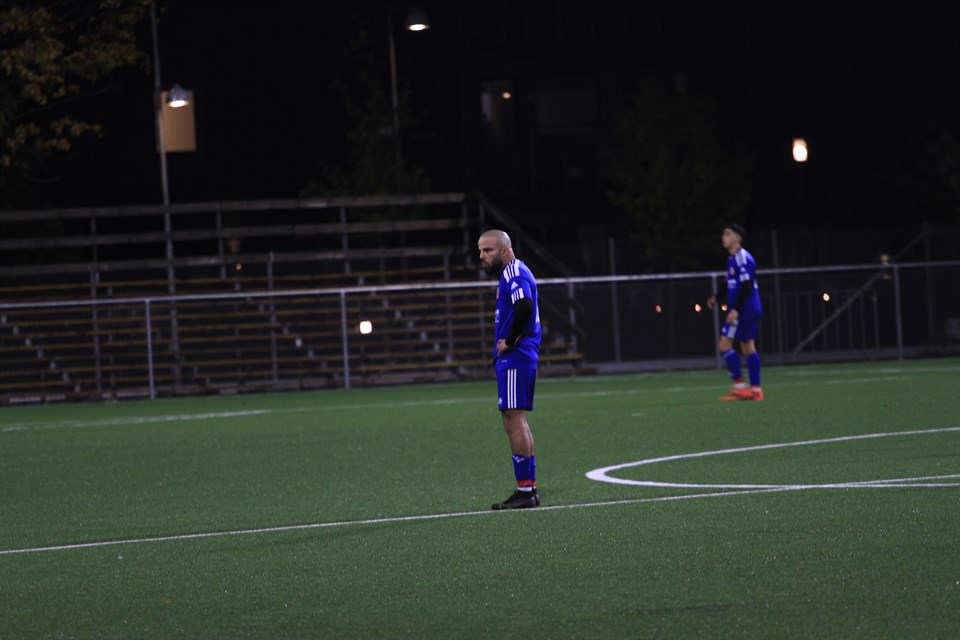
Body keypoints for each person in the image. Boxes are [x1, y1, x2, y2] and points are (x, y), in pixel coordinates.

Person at [478, 229, 542, 509]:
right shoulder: (513, 272)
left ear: (505, 250)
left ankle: (525, 492)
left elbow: (524, 306)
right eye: (480, 251)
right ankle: (528, 489)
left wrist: (511, 340)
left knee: (513, 419)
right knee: (515, 419)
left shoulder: (513, 270)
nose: (482, 256)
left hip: (516, 356)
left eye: (487, 250)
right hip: (518, 357)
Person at [706, 223, 764, 401]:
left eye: (727, 234)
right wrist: (716, 296)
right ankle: (753, 390)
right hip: (742, 309)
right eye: (723, 234)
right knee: (745, 346)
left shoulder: (743, 258)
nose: (723, 237)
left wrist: (736, 309)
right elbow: (729, 283)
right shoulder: (733, 259)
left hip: (745, 309)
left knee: (728, 345)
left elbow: (747, 285)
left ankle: (743, 388)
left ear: (737, 238)